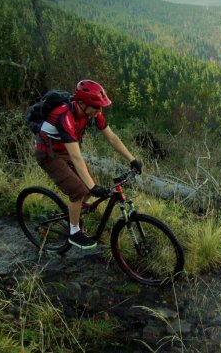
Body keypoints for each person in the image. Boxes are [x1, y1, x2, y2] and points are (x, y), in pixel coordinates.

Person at [35, 79, 142, 249]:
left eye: (100, 107)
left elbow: (112, 138)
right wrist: (91, 186)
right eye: (96, 107)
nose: (99, 111)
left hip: (66, 150)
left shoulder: (92, 113)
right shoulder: (64, 116)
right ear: (82, 104)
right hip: (49, 153)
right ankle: (74, 233)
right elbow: (76, 157)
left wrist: (132, 159)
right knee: (79, 190)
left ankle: (73, 213)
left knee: (88, 189)